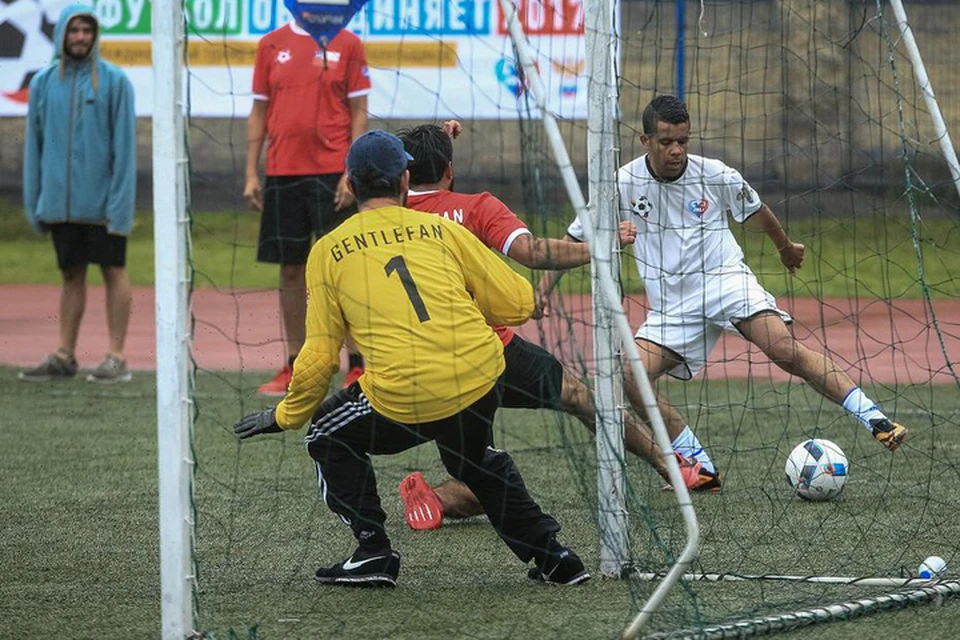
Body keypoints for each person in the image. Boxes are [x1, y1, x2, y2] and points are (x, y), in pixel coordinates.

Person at [233, 130, 589, 588]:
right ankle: (555, 557)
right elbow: (519, 303)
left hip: (403, 398)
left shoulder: (326, 252)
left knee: (325, 434)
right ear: (404, 180)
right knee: (472, 459)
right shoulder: (443, 230)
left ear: (350, 183)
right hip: (481, 377)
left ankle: (373, 552)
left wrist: (286, 415)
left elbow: (320, 357)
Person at [541, 95, 909, 490]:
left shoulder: (714, 174)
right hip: (672, 306)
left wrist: (785, 248)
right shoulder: (622, 183)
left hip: (725, 282)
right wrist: (542, 292)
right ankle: (700, 467)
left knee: (783, 349)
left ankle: (874, 418)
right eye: (666, 141)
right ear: (644, 140)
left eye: (683, 140)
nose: (676, 150)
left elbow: (758, 210)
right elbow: (573, 237)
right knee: (631, 377)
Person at [394, 122, 708, 531]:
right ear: (449, 171)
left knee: (479, 474)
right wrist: (601, 246)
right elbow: (532, 251)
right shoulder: (476, 207)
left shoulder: (385, 217)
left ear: (402, 174)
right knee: (580, 397)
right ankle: (672, 467)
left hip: (424, 365)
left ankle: (433, 499)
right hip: (490, 351)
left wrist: (434, 135)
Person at [244, 19, 370, 395]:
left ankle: (359, 364)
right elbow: (258, 112)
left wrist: (352, 170)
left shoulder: (348, 42)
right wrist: (252, 173)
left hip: (334, 174)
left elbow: (360, 111)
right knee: (290, 271)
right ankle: (296, 365)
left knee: (346, 271)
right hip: (283, 173)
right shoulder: (270, 44)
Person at [20, 5, 136, 384]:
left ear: (95, 35)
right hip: (60, 205)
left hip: (103, 206)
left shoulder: (116, 82)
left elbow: (125, 150)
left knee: (113, 272)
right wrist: (37, 200)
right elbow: (34, 147)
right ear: (62, 36)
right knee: (71, 275)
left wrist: (119, 206)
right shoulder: (43, 83)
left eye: (87, 30)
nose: (81, 37)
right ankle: (65, 355)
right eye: (74, 31)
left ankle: (116, 356)